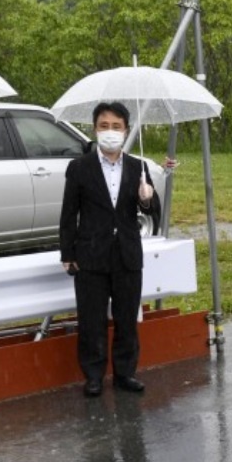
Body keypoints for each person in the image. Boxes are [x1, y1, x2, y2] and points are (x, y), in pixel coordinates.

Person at [59, 101, 155, 397]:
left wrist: (146, 198)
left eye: (116, 126)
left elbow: (151, 210)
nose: (110, 131)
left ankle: (125, 373)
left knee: (127, 318)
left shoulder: (138, 167)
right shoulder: (79, 167)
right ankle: (93, 376)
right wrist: (67, 253)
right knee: (92, 320)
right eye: (104, 126)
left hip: (127, 253)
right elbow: (68, 213)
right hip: (91, 254)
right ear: (95, 130)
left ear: (125, 130)